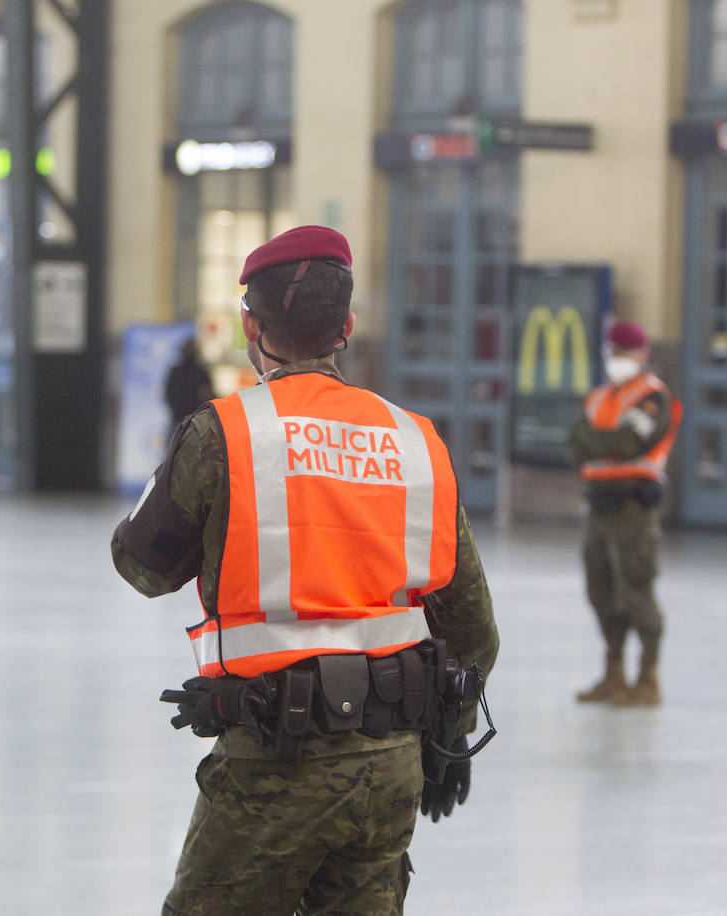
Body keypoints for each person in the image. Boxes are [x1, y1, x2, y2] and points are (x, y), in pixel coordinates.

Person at [111, 225, 499, 915]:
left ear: (250, 326)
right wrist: (451, 733)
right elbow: (470, 622)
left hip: (274, 765)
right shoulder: (415, 442)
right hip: (390, 766)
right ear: (345, 327)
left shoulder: (223, 432)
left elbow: (141, 568)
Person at [567, 319, 681, 708]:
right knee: (600, 591)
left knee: (636, 589)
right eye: (613, 352)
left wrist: (598, 441)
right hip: (598, 504)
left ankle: (648, 678)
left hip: (633, 506)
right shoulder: (599, 397)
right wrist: (604, 443)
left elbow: (631, 441)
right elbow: (575, 443)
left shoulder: (653, 397)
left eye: (624, 353)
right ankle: (614, 674)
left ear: (643, 354)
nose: (617, 360)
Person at [164, 337, 214, 430]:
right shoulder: (198, 372)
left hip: (193, 420)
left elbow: (208, 395)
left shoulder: (199, 372)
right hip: (187, 420)